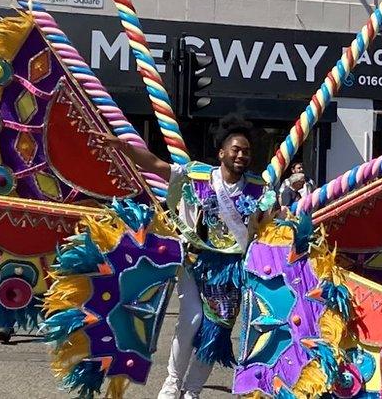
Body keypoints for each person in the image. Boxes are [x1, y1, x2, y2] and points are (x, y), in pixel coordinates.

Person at [94, 116, 263, 399]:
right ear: (222, 152)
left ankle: (192, 390)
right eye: (236, 149)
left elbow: (269, 224)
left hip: (233, 270)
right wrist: (124, 147)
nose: (241, 155)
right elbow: (155, 165)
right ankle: (171, 383)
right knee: (191, 319)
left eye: (246, 151)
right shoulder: (197, 175)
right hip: (195, 263)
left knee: (216, 333)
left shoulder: (259, 188)